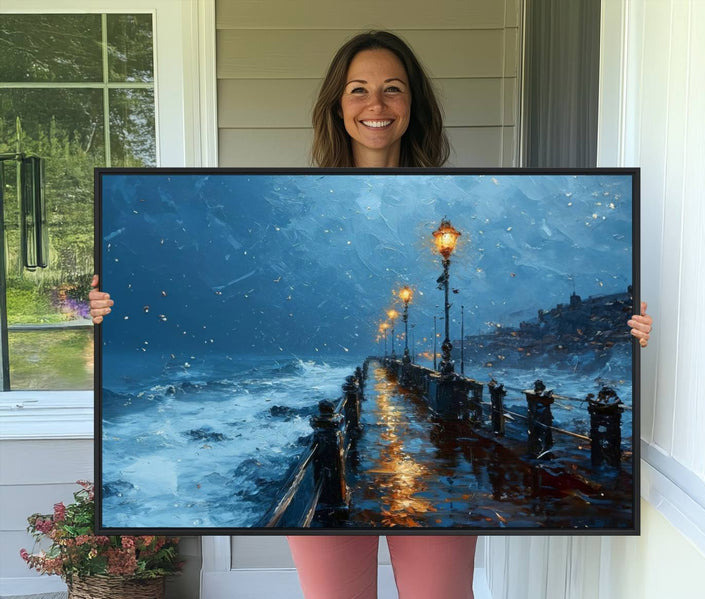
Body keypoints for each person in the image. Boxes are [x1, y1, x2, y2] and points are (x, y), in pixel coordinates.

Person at [89, 30, 653, 599]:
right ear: (338, 104)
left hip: (426, 479)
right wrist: (111, 307)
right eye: (358, 90)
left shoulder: (450, 196)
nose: (376, 105)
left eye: (392, 89)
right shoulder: (289, 190)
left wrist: (629, 330)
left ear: (413, 104)